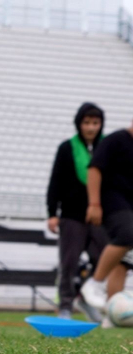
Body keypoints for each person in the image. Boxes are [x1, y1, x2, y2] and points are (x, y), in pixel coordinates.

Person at [47, 103, 107, 321]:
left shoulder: (107, 147)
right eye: (87, 123)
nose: (91, 127)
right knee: (69, 263)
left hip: (101, 217)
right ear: (79, 124)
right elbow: (56, 181)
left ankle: (85, 297)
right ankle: (65, 306)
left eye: (95, 123)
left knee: (102, 260)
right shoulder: (67, 148)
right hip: (72, 216)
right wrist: (52, 212)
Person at [79, 117, 133, 314]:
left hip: (130, 204)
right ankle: (94, 284)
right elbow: (94, 169)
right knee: (127, 234)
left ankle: (111, 314)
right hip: (111, 200)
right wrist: (94, 203)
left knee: (124, 261)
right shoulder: (116, 140)